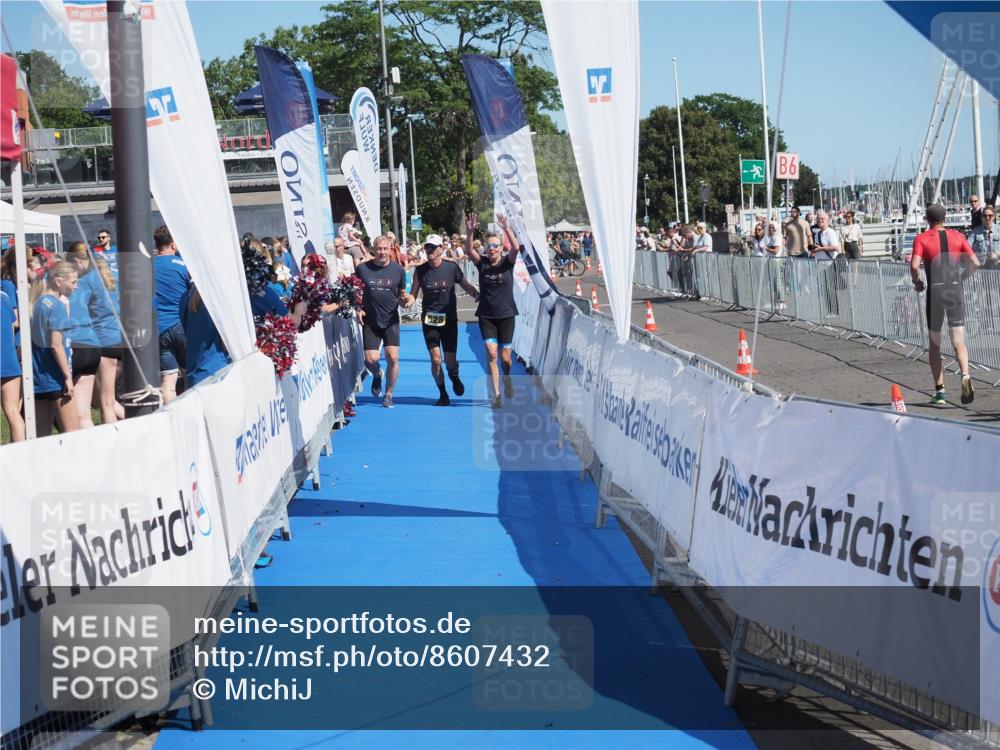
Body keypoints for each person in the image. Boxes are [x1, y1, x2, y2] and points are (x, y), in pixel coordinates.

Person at [911, 203, 980, 406]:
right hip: (954, 290)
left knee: (935, 344)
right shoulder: (958, 237)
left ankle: (940, 392)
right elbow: (975, 262)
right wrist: (961, 278)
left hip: (936, 292)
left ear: (927, 219)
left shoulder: (922, 238)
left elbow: (914, 265)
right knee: (958, 341)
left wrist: (917, 282)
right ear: (946, 218)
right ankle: (965, 376)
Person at [410, 234, 480, 406]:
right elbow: (413, 295)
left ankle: (454, 376)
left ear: (441, 249)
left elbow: (465, 285)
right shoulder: (420, 271)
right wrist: (407, 300)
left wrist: (477, 294)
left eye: (433, 248)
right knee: (435, 359)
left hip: (449, 320)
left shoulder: (451, 268)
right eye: (427, 248)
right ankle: (442, 393)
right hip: (429, 320)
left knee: (450, 362)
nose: (430, 251)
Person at [465, 212, 519, 409]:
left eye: (495, 246)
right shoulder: (483, 264)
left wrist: (506, 228)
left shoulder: (507, 263)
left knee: (505, 358)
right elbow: (469, 250)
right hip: (486, 315)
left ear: (500, 248)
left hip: (506, 315)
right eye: (489, 246)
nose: (492, 249)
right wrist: (470, 231)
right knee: (491, 354)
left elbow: (516, 248)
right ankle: (496, 395)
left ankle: (507, 377)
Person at [65, 242, 119, 427]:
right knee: (108, 399)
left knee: (105, 403)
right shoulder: (107, 275)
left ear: (78, 261)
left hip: (102, 340)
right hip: (117, 338)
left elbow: (73, 307)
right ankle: (135, 422)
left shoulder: (86, 281)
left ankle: (112, 441)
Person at [357, 235, 409, 408]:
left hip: (390, 320)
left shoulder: (398, 270)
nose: (382, 252)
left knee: (393, 357)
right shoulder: (363, 269)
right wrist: (358, 308)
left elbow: (402, 294)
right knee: (370, 360)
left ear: (390, 249)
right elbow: (354, 291)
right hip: (370, 321)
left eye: (385, 249)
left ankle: (388, 394)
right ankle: (377, 374)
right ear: (373, 249)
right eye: (379, 248)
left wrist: (404, 300)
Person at [30, 261, 79, 436]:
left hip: (39, 378)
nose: (76, 286)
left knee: (41, 437)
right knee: (73, 433)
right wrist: (67, 377)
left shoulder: (37, 304)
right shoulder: (56, 306)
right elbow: (56, 345)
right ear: (58, 282)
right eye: (73, 282)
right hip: (56, 378)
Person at [153, 225, 191, 404]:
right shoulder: (183, 265)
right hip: (182, 325)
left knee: (167, 383)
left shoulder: (146, 266)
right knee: (191, 377)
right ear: (173, 245)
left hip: (159, 328)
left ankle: (173, 421)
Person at [0, 285, 24, 442]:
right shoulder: (4, 296)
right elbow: (13, 324)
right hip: (9, 360)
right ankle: (22, 457)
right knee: (14, 413)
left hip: (8, 360)